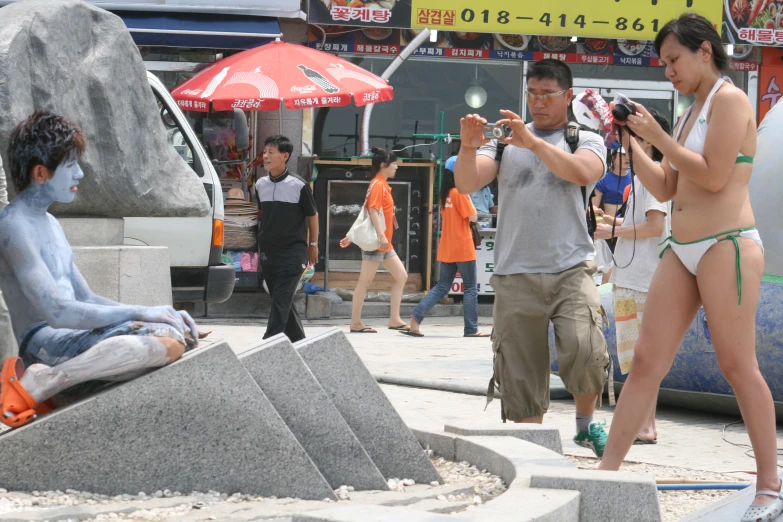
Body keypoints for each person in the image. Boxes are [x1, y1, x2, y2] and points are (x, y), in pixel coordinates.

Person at [596, 14, 782, 521]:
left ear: (705, 51)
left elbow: (717, 177)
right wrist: (633, 140)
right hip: (683, 246)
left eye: (674, 60)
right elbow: (666, 186)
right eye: (664, 64)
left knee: (738, 366)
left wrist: (658, 131)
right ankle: (604, 476)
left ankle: (769, 484)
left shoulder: (729, 100)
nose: (668, 72)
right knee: (646, 364)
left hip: (727, 244)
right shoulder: (689, 112)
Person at [0, 110, 198, 429]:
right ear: (40, 173)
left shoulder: (50, 223)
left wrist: (152, 311)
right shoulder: (13, 226)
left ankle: (56, 380)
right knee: (164, 342)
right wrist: (141, 315)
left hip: (76, 339)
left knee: (173, 332)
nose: (79, 174)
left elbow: (87, 297)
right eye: (70, 166)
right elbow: (58, 311)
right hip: (45, 345)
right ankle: (45, 380)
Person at [455, 59, 611, 457]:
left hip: (571, 267)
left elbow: (582, 173)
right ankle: (532, 451)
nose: (538, 102)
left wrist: (534, 143)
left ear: (568, 96)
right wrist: (469, 147)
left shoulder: (585, 139)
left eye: (548, 94)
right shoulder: (504, 141)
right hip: (514, 271)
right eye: (533, 94)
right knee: (520, 373)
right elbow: (468, 182)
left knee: (586, 346)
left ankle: (584, 424)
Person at [593, 108, 672, 445]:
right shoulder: (640, 179)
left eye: (637, 136)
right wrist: (612, 227)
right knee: (637, 358)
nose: (629, 144)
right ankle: (644, 423)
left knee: (643, 359)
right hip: (631, 280)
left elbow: (655, 226)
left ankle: (647, 425)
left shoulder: (652, 176)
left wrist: (613, 229)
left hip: (644, 281)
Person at [402, 168, 489, 338]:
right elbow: (472, 217)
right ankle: (471, 329)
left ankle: (415, 319)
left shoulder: (445, 195)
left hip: (448, 247)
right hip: (463, 247)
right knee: (470, 288)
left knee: (442, 286)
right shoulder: (460, 193)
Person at [256, 135, 319, 343]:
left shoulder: (299, 185)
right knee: (280, 299)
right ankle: (300, 342)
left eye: (270, 152)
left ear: (285, 156)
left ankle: (269, 342)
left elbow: (313, 215)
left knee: (281, 299)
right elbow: (263, 214)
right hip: (268, 252)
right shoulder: (260, 185)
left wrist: (313, 245)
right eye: (264, 152)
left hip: (293, 253)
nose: (265, 156)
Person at [339, 147, 409, 334]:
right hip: (379, 242)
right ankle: (355, 322)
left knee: (401, 276)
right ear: (383, 165)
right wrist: (382, 235)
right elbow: (372, 211)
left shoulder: (380, 183)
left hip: (384, 243)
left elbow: (367, 210)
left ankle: (394, 319)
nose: (396, 167)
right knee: (365, 281)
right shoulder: (378, 184)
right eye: (393, 163)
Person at [592, 147, 632, 219]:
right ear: (613, 158)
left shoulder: (636, 178)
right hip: (610, 226)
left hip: (632, 225)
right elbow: (593, 207)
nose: (627, 157)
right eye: (623, 154)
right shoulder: (603, 179)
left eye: (629, 154)